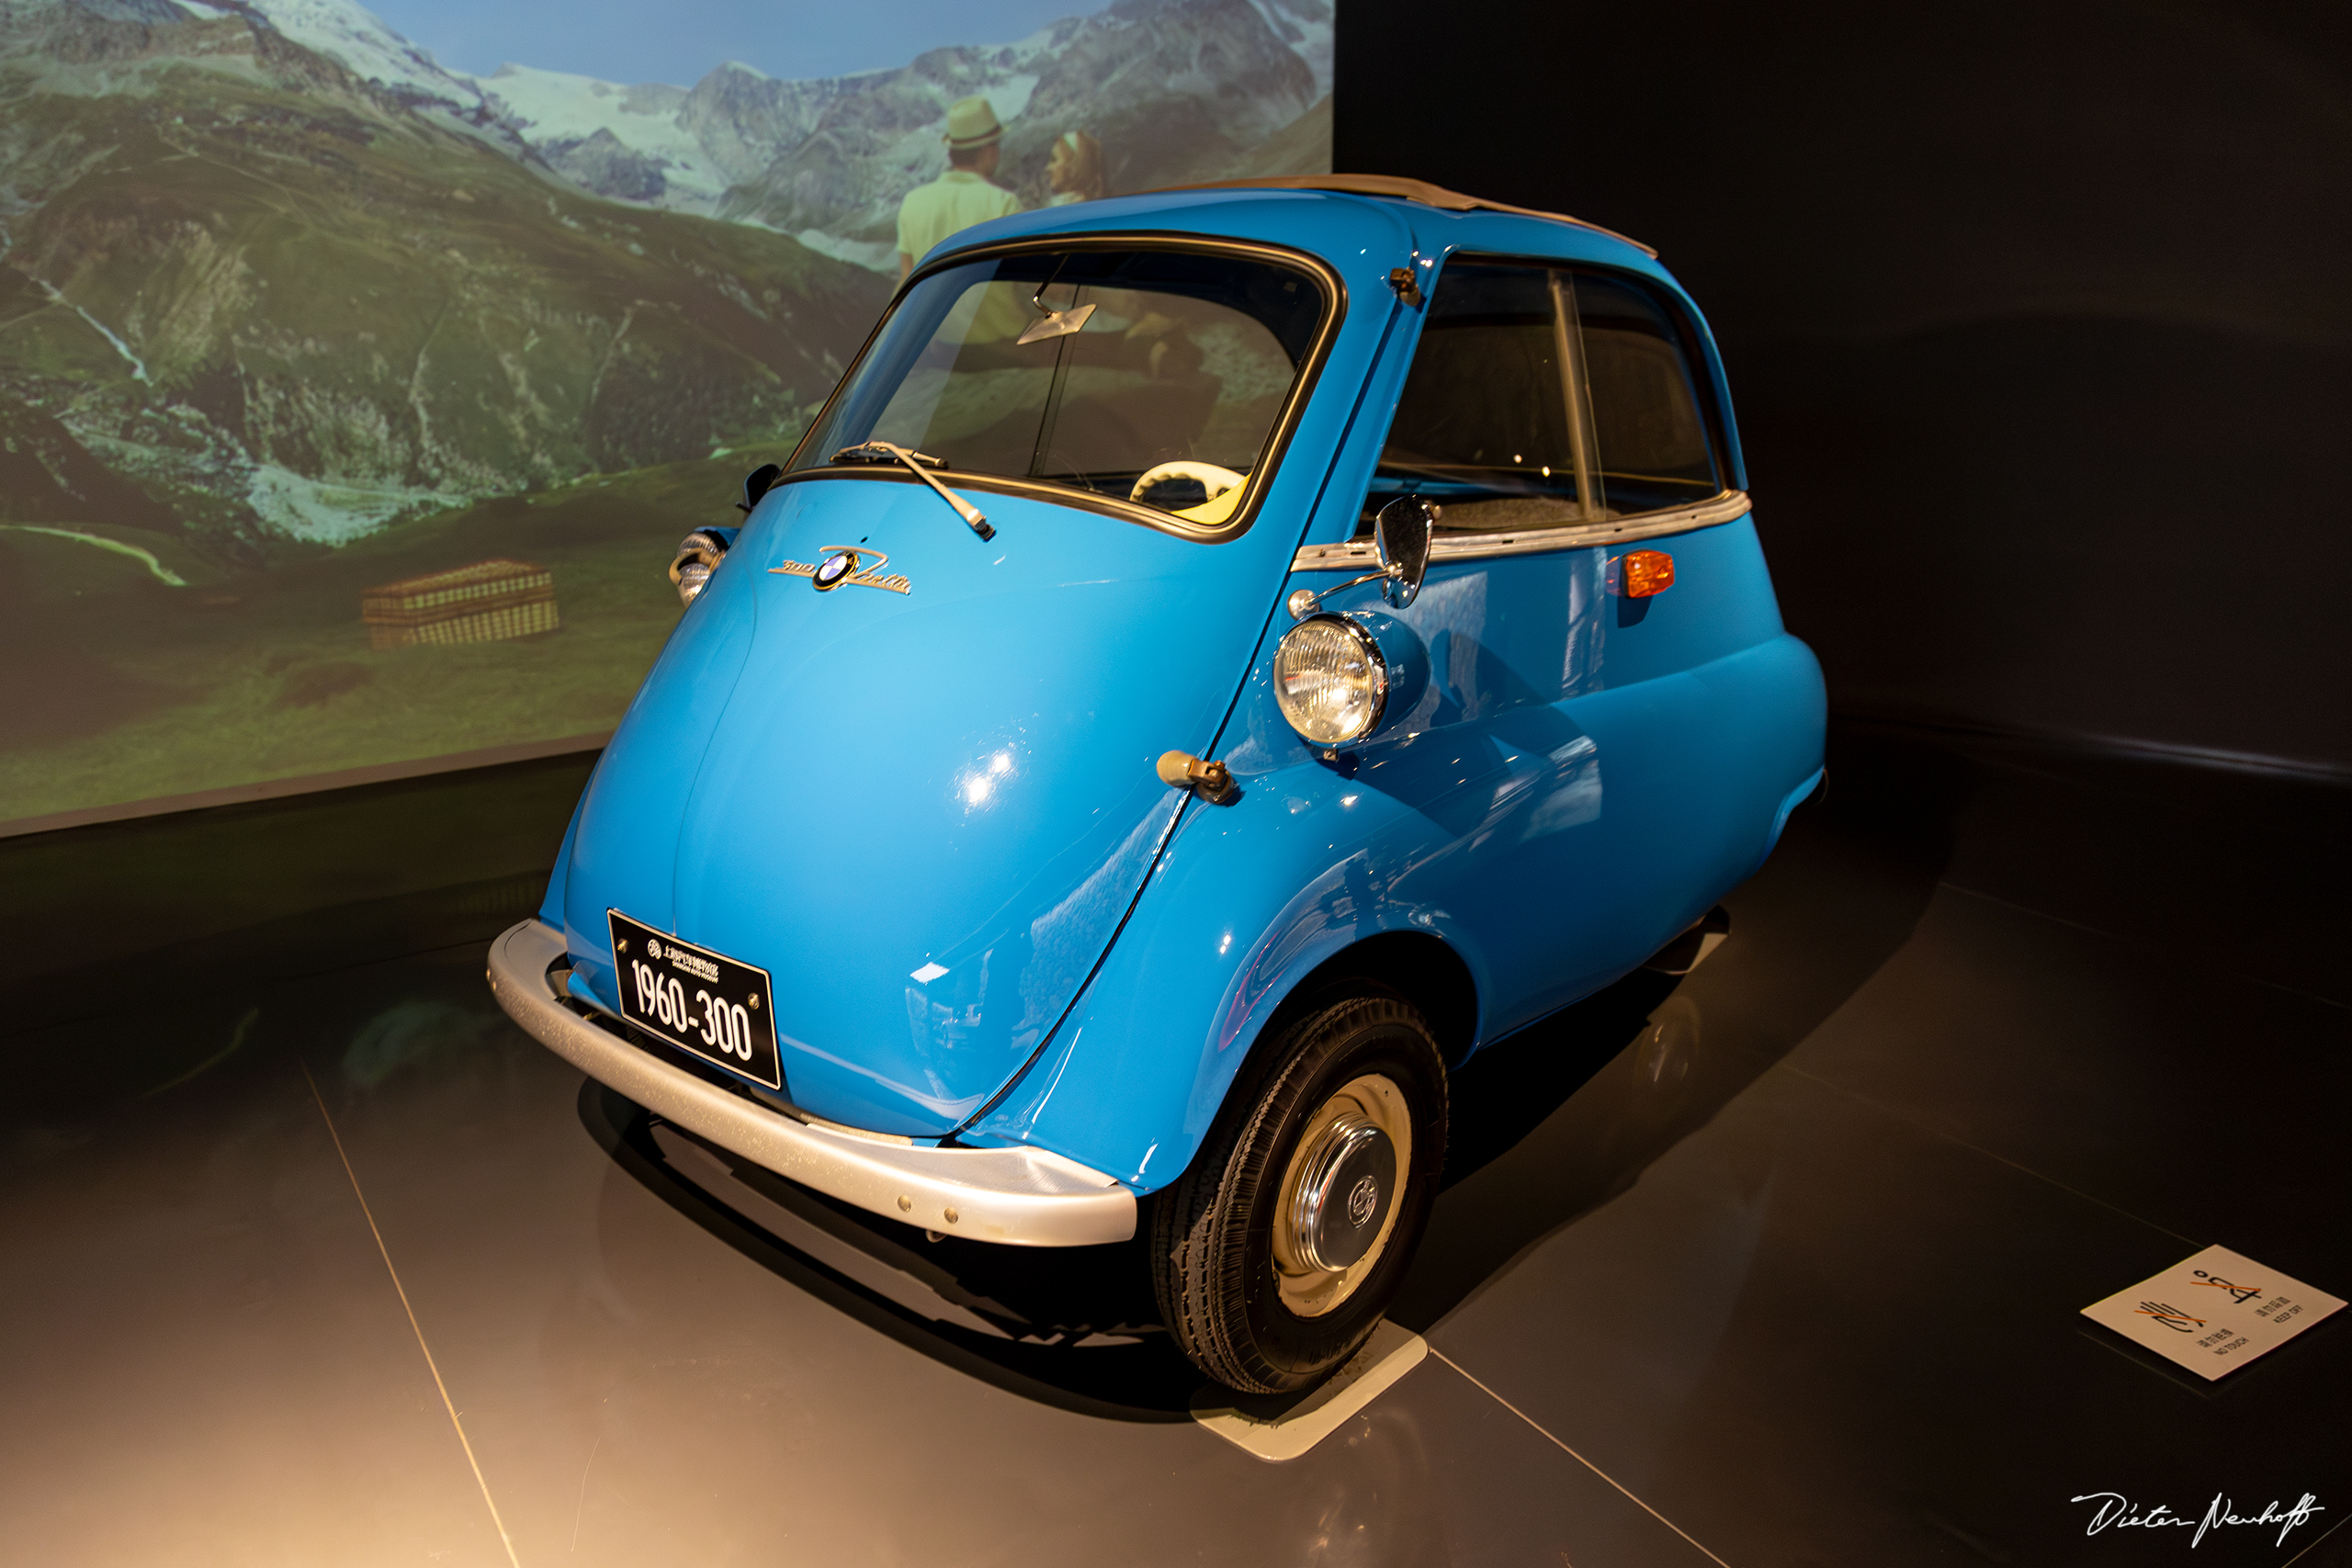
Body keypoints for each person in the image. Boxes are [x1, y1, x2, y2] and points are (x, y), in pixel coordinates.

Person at [896, 96, 1023, 282]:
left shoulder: (912, 202)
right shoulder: (1004, 204)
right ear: (987, 152)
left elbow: (906, 281)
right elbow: (1030, 280)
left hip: (935, 313)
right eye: (997, 144)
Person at [1046, 130, 1109, 205]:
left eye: (1054, 160)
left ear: (1073, 166)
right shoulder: (1101, 205)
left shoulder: (1066, 209)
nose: (1048, 168)